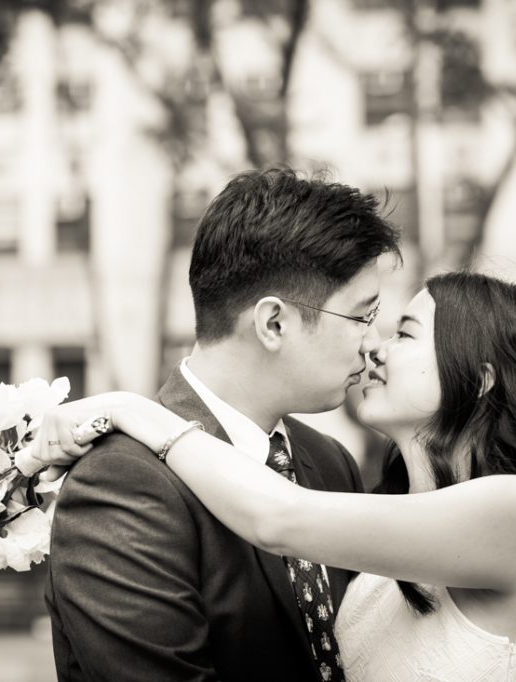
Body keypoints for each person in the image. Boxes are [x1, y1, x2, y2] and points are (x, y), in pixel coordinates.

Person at [32, 271, 516, 681]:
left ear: (484, 377)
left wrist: (136, 411)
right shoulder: (364, 496)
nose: (376, 349)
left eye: (404, 333)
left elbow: (278, 517)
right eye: (371, 323)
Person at [41, 168, 401, 681]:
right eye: (362, 317)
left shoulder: (328, 462)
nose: (372, 342)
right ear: (273, 323)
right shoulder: (121, 483)